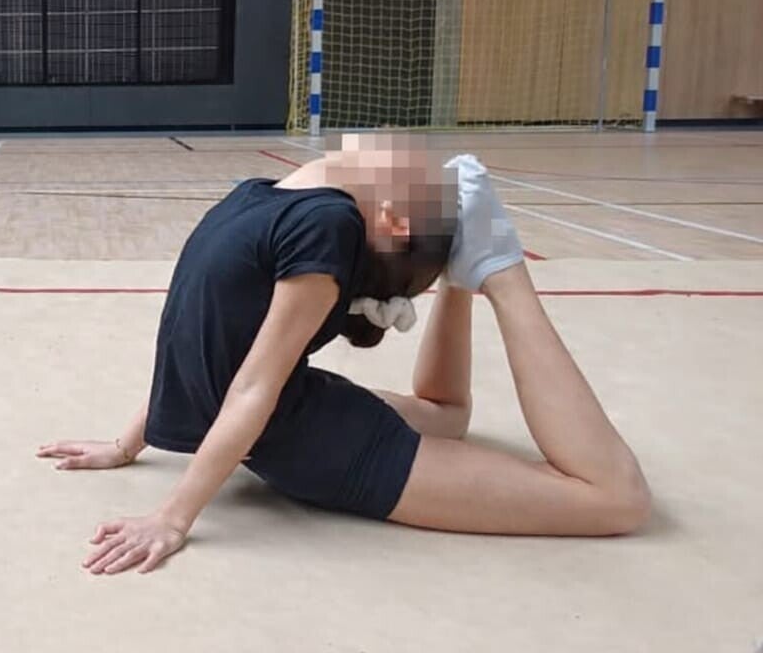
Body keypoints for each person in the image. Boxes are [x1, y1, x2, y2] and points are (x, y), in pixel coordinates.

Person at [38, 138, 651, 575]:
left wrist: (165, 505)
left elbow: (238, 376)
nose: (399, 149)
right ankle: (484, 269)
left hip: (307, 421)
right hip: (313, 440)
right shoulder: (294, 210)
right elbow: (208, 350)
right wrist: (135, 458)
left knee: (588, 485)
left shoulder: (298, 213)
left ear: (390, 220)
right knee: (601, 491)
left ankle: (487, 273)